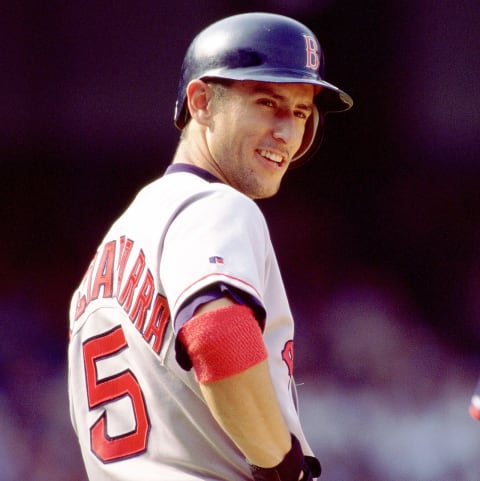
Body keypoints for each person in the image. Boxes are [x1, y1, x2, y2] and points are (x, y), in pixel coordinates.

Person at [68, 12, 352, 481]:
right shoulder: (215, 205)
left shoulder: (119, 241)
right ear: (201, 102)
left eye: (301, 113)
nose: (287, 132)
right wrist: (283, 467)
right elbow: (217, 333)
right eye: (268, 102)